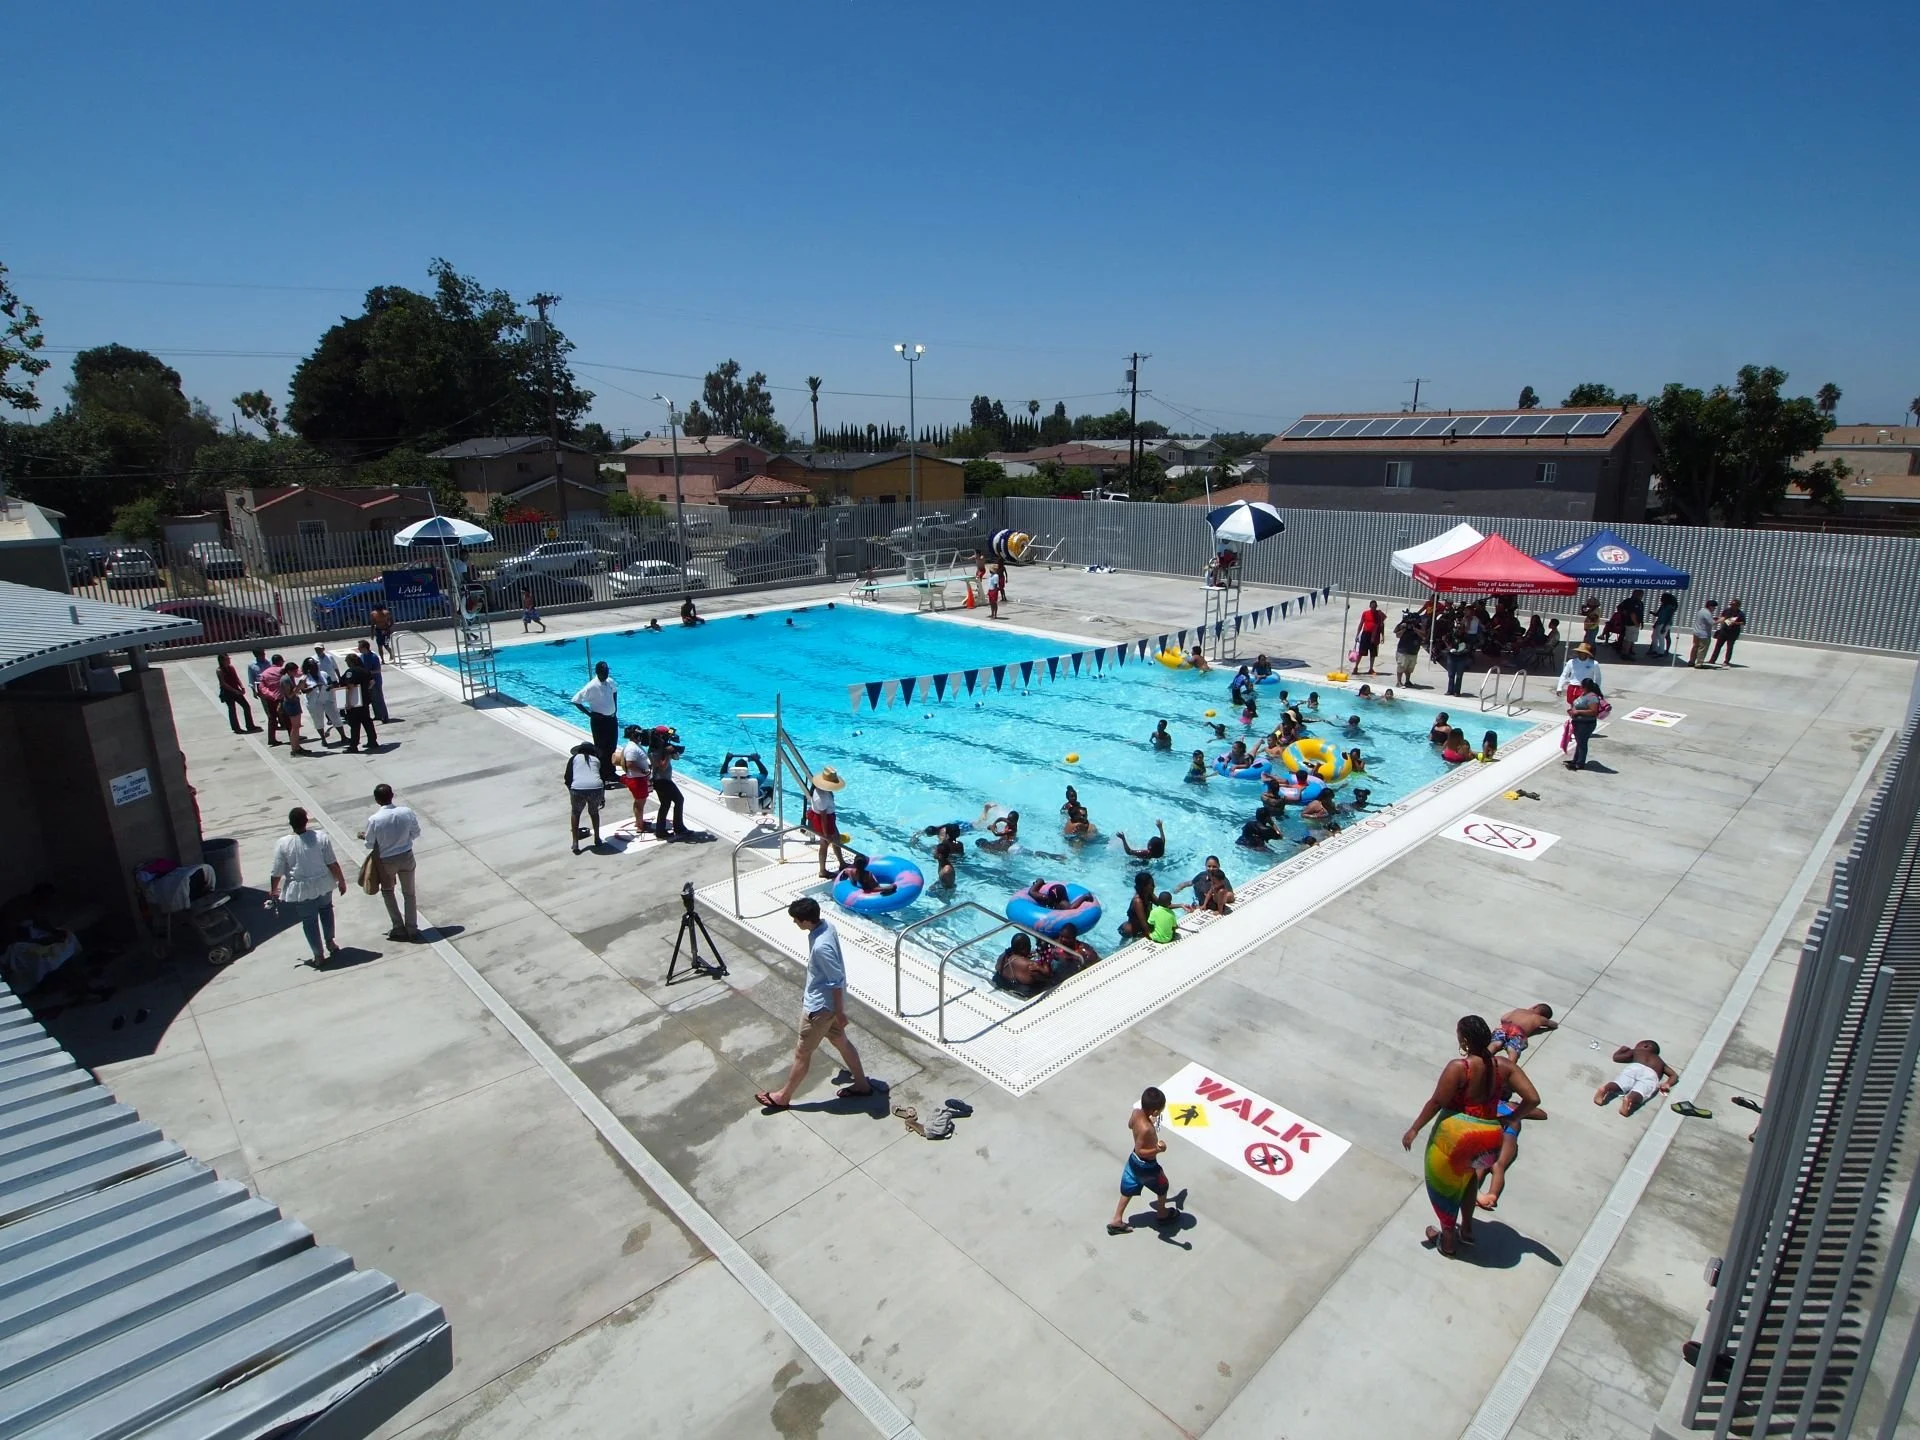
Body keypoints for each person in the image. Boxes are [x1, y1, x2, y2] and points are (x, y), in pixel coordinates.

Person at [1400, 1014, 1543, 1257]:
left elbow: (1436, 1102)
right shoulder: (1504, 1066)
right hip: (1489, 1137)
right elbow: (1533, 1099)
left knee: (1442, 1188)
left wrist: (1414, 1129)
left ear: (1464, 1040)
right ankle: (1466, 1229)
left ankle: (1447, 1240)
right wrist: (1512, 1117)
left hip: (1458, 1137)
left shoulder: (1459, 1067)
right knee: (1468, 1180)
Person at [756, 898, 872, 1109]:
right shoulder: (827, 926)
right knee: (840, 1041)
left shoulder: (821, 947)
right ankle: (862, 1085)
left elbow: (835, 981)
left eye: (796, 920)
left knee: (802, 1053)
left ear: (807, 921)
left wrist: (840, 1013)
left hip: (819, 1010)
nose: (795, 923)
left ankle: (783, 1097)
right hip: (829, 1007)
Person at [267, 806, 346, 967]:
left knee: (309, 921)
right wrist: (341, 880)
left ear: (290, 823)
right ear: (306, 821)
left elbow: (277, 872)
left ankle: (318, 955)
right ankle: (330, 942)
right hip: (323, 883)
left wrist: (273, 890)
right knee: (326, 910)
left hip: (301, 889)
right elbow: (332, 863)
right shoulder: (321, 837)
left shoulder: (283, 843)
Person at [1108, 1086, 1177, 1234]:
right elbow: (1141, 1150)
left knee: (1128, 1190)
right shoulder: (1147, 1129)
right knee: (1163, 1185)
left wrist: (1147, 1121)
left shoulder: (1136, 1113)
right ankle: (1162, 1214)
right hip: (1147, 1166)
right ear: (1156, 1112)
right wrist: (1158, 1150)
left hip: (1133, 1163)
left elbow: (1130, 1125)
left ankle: (1116, 1220)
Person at [359, 783, 421, 942]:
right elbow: (416, 832)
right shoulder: (406, 812)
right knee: (409, 893)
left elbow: (369, 844)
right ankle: (412, 928)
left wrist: (363, 837)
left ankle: (398, 927)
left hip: (387, 861)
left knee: (388, 891)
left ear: (376, 800)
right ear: (392, 796)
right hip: (406, 855)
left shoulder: (374, 819)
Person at [1595, 1040, 1678, 1115]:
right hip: (1651, 1074)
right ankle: (1629, 1099)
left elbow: (1617, 1058)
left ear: (1645, 1046)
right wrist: (1667, 1084)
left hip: (1635, 1067)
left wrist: (1622, 1050)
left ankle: (1605, 1089)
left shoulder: (1637, 1051)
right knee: (1641, 1090)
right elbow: (1674, 1075)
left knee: (1621, 1082)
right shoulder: (1660, 1061)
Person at [571, 661, 619, 783]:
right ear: (598, 672)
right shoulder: (591, 686)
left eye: (607, 671)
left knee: (612, 747)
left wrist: (615, 708)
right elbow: (576, 700)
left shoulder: (610, 682)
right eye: (604, 672)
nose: (606, 674)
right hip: (600, 722)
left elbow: (614, 692)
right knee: (601, 748)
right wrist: (590, 714)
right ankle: (602, 773)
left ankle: (611, 772)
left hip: (611, 719)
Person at [564, 741, 606, 853]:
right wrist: (602, 796)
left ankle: (575, 843)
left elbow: (567, 778)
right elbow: (602, 779)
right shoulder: (596, 760)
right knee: (594, 812)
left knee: (575, 813)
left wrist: (572, 792)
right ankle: (597, 838)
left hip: (577, 789)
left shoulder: (574, 759)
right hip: (596, 789)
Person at [650, 726, 690, 838]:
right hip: (662, 781)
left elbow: (676, 758)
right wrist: (668, 754)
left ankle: (660, 830)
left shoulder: (662, 747)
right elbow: (662, 767)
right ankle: (679, 827)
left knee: (665, 804)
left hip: (663, 781)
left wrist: (673, 751)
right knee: (679, 800)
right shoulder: (654, 751)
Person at [617, 724, 654, 833]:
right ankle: (640, 827)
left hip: (638, 779)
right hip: (637, 780)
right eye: (639, 735)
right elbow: (630, 764)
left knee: (638, 802)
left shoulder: (634, 745)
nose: (641, 736)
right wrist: (643, 771)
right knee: (640, 804)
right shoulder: (632, 748)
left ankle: (639, 822)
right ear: (634, 735)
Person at [339, 653, 379, 752]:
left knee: (355, 725)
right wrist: (365, 691)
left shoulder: (351, 672)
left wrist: (347, 703)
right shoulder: (364, 670)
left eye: (347, 662)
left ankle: (353, 746)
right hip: (364, 700)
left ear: (350, 662)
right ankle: (372, 741)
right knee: (367, 722)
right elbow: (372, 682)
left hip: (355, 703)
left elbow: (350, 687)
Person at [1492, 1003, 1557, 1057]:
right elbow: (1553, 1025)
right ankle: (1510, 1065)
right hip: (1518, 1033)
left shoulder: (1519, 1010)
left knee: (1495, 1044)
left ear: (1534, 1007)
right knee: (1512, 1050)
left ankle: (1486, 1055)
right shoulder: (1540, 1018)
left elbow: (1503, 1018)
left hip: (1505, 1028)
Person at [215, 654, 258, 734]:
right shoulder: (219, 670)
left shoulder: (231, 668)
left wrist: (242, 687)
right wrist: (234, 691)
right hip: (228, 692)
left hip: (236, 690)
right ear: (222, 661)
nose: (229, 660)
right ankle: (236, 728)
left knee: (246, 706)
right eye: (227, 659)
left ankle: (250, 725)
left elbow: (236, 678)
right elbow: (223, 683)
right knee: (232, 709)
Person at [1567, 678, 1603, 770]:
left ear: (1585, 686)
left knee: (1582, 743)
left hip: (1586, 724)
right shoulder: (1584, 694)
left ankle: (1580, 763)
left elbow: (1593, 712)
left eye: (1581, 685)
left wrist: (1578, 712)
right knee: (1579, 742)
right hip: (1578, 723)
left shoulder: (1592, 698)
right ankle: (1576, 760)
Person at [312, 644, 344, 739]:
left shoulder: (329, 657)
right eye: (316, 649)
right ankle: (329, 718)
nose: (318, 650)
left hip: (332, 680)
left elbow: (335, 667)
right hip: (323, 682)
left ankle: (342, 713)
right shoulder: (313, 659)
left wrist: (339, 677)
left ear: (323, 649)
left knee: (338, 698)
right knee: (326, 700)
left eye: (319, 649)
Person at [278, 664, 311, 755]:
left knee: (297, 727)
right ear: (289, 670)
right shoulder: (285, 679)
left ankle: (297, 746)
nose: (296, 673)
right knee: (295, 727)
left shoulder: (289, 678)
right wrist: (299, 686)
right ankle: (294, 749)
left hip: (294, 703)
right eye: (295, 671)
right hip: (290, 704)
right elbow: (289, 695)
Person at [355, 639, 390, 724]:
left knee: (379, 699)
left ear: (365, 648)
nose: (358, 649)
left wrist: (367, 672)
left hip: (375, 681)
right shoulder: (361, 657)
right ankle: (377, 715)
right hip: (367, 681)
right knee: (372, 700)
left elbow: (378, 670)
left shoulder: (373, 657)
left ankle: (384, 716)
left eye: (360, 647)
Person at [1118, 871, 1158, 940]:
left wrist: (1180, 905)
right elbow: (1144, 923)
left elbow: (1163, 904)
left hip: (1140, 929)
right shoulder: (1138, 901)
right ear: (1144, 887)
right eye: (1152, 884)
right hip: (1130, 932)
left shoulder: (1149, 894)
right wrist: (1152, 936)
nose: (1154, 886)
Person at [1709, 598, 1746, 666]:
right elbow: (1723, 617)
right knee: (1718, 646)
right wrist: (1718, 619)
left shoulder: (1740, 613)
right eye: (1731, 604)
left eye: (1733, 605)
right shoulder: (1726, 610)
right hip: (1724, 630)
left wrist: (1735, 623)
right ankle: (1712, 660)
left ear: (1737, 606)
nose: (1731, 606)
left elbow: (1743, 622)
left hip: (1733, 632)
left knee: (1729, 647)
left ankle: (1726, 661)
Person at [1393, 612, 1424, 687]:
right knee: (1401, 667)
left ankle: (1407, 681)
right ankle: (1399, 682)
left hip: (1414, 651)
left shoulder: (1419, 627)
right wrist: (1403, 627)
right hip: (1403, 651)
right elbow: (1396, 633)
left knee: (1409, 668)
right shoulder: (1404, 626)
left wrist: (1414, 629)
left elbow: (1423, 634)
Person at [1355, 600, 1385, 675]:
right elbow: (1361, 624)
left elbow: (1382, 626)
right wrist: (1357, 634)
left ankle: (1371, 668)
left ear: (1376, 607)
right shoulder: (1365, 613)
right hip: (1365, 634)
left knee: (1373, 653)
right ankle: (1356, 667)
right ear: (1370, 606)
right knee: (1361, 652)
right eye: (1372, 606)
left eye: (1375, 607)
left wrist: (1383, 636)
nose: (1373, 608)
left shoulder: (1379, 615)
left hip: (1375, 635)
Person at [1688, 600, 1720, 668]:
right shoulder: (1707, 613)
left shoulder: (1701, 611)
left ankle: (1691, 661)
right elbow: (1712, 623)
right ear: (1710, 606)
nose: (1714, 609)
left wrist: (1713, 618)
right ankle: (1699, 664)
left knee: (1695, 647)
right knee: (1702, 649)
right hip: (1704, 634)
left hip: (1696, 632)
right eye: (1714, 607)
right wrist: (1721, 620)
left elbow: (1705, 620)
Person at [1443, 626, 1471, 697]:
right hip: (1451, 657)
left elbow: (1468, 648)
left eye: (1459, 628)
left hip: (1461, 658)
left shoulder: (1465, 637)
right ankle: (1450, 690)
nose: (1457, 630)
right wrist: (1449, 648)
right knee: (1451, 675)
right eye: (1456, 628)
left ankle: (1457, 692)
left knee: (1459, 676)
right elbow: (1445, 642)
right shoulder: (1450, 635)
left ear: (1463, 630)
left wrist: (1461, 652)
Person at [1650, 591, 1678, 658]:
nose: (1660, 599)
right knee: (1654, 636)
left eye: (1662, 597)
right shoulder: (1663, 606)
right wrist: (1652, 613)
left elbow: (1669, 617)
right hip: (1659, 622)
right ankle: (1655, 650)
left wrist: (1664, 627)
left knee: (1661, 637)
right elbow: (1657, 614)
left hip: (1665, 624)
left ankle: (1661, 652)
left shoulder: (1670, 607)